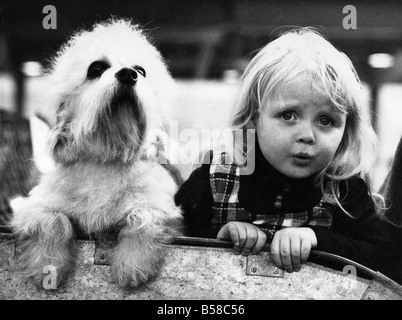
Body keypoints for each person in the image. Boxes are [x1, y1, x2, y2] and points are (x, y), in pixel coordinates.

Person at [175, 28, 402, 283]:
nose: (307, 135)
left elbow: (387, 261)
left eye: (326, 120)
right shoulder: (215, 175)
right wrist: (218, 236)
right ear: (253, 117)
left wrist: (317, 238)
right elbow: (172, 243)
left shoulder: (344, 188)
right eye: (288, 115)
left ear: (347, 129)